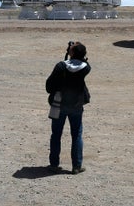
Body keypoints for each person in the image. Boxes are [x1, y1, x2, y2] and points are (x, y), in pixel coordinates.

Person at [45, 40, 91, 175]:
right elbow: (84, 63)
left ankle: (54, 164)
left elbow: (49, 85)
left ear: (72, 52)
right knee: (76, 135)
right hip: (76, 104)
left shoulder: (60, 66)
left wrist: (69, 53)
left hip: (59, 104)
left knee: (56, 134)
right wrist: (75, 51)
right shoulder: (86, 68)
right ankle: (76, 165)